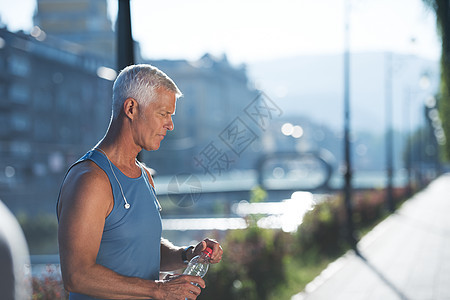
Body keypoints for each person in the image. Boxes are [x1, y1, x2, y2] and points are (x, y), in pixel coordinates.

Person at [57, 64, 223, 300]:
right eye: (163, 114)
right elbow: (77, 275)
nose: (170, 124)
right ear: (132, 108)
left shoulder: (144, 176)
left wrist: (187, 254)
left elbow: (141, 249)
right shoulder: (90, 180)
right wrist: (159, 289)